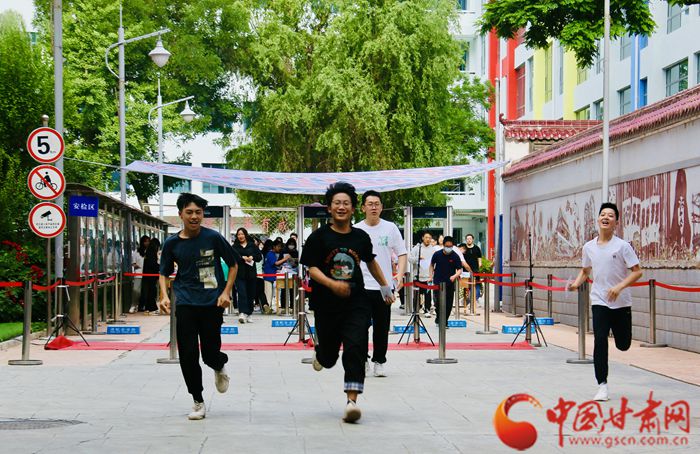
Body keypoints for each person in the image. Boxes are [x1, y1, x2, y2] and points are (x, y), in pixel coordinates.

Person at [300, 182, 394, 423]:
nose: (341, 207)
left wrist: (385, 286)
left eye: (346, 203)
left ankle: (352, 401)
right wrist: (331, 284)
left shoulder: (360, 237)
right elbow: (311, 268)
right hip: (326, 305)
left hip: (356, 302)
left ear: (353, 209)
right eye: (337, 203)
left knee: (356, 347)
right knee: (330, 358)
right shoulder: (319, 237)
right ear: (329, 208)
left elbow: (371, 262)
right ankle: (322, 354)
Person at [158, 193, 240, 421]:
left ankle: (219, 365)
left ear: (203, 214)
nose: (194, 216)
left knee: (210, 353)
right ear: (180, 214)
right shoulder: (172, 243)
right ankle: (198, 400)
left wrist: (226, 292)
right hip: (185, 302)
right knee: (188, 354)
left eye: (198, 212)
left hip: (212, 302)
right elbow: (164, 272)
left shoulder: (213, 237)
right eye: (189, 212)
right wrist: (164, 295)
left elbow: (234, 264)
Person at [568, 202, 642, 402]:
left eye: (610, 215)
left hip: (621, 303)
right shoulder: (589, 247)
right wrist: (575, 284)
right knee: (600, 340)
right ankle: (602, 385)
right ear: (598, 219)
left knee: (623, 344)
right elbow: (585, 270)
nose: (606, 217)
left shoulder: (623, 246)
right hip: (599, 300)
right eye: (603, 214)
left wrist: (619, 287)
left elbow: (637, 272)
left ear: (616, 222)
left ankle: (621, 339)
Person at [355, 190, 407, 378]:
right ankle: (363, 360)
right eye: (370, 204)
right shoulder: (356, 229)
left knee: (382, 327)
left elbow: (402, 253)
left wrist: (399, 275)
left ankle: (379, 361)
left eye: (377, 204)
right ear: (363, 207)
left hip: (384, 288)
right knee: (360, 327)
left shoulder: (390, 228)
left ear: (382, 207)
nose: (374, 207)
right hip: (361, 288)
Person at [429, 236, 462, 327]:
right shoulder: (437, 254)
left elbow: (459, 269)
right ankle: (439, 318)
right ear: (443, 245)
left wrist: (454, 276)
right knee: (438, 302)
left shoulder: (455, 256)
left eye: (450, 246)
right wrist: (431, 276)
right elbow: (431, 265)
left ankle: (445, 321)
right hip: (438, 282)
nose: (448, 248)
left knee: (448, 303)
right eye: (447, 246)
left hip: (449, 283)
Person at [232, 227, 262, 324]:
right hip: (239, 273)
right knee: (242, 293)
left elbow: (259, 257)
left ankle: (249, 313)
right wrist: (242, 258)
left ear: (245, 235)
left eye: (242, 234)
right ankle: (242, 313)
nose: (240, 236)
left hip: (251, 274)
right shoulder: (235, 246)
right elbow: (232, 258)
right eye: (238, 234)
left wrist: (252, 257)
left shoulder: (252, 245)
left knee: (250, 293)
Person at [408, 232, 438, 316]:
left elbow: (435, 262)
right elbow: (410, 259)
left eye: (429, 238)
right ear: (423, 238)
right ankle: (416, 309)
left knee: (427, 294)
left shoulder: (433, 250)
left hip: (428, 276)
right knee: (417, 293)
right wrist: (418, 258)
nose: (428, 239)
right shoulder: (417, 248)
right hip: (417, 275)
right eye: (426, 237)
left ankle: (427, 310)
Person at [263, 240, 287, 312]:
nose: (280, 248)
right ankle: (267, 309)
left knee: (270, 293)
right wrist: (285, 259)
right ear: (274, 246)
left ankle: (269, 308)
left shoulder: (272, 254)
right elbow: (276, 263)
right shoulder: (270, 254)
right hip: (268, 276)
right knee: (268, 293)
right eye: (278, 246)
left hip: (271, 276)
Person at [140, 238, 160, 313]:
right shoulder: (152, 251)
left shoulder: (148, 251)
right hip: (151, 275)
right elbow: (152, 264)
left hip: (148, 274)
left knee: (149, 291)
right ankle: (151, 306)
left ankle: (149, 306)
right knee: (151, 291)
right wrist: (159, 266)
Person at [130, 235, 149, 313]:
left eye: (148, 241)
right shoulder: (137, 252)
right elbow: (133, 263)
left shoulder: (150, 251)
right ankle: (133, 305)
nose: (147, 243)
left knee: (145, 292)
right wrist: (137, 266)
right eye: (145, 241)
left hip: (147, 275)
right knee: (136, 291)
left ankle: (143, 306)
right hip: (138, 274)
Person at [464, 233, 483, 303]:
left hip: (475, 270)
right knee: (466, 285)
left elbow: (479, 258)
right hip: (465, 271)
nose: (469, 240)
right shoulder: (464, 248)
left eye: (470, 239)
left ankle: (475, 299)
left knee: (476, 285)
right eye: (467, 239)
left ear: (473, 240)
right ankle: (467, 301)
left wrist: (479, 265)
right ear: (466, 240)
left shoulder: (477, 248)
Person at [252, 236, 269, 314]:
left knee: (251, 291)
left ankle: (255, 305)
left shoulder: (250, 253)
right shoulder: (261, 254)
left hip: (252, 275)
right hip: (260, 275)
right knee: (261, 292)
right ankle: (265, 304)